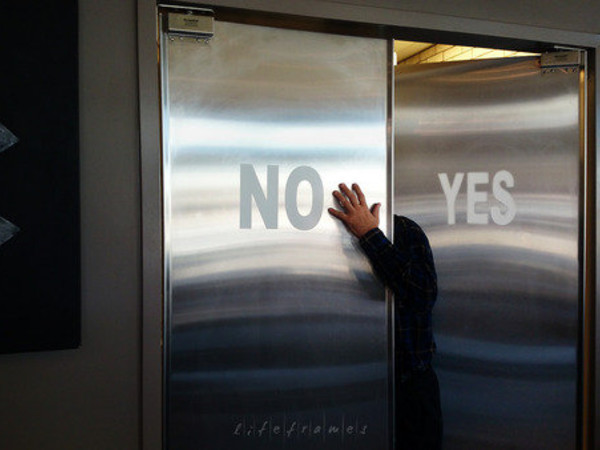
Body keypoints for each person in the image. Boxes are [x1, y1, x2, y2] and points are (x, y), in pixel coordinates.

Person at [328, 182, 442, 450]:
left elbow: (423, 295)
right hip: (348, 386)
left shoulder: (403, 230)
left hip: (410, 387)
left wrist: (369, 234)